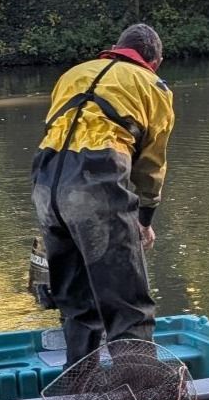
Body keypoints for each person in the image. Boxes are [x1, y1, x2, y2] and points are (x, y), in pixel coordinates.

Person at [31, 23, 175, 365]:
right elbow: (151, 164)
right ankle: (138, 397)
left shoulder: (73, 74)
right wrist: (144, 220)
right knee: (128, 305)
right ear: (155, 61)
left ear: (115, 47)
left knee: (76, 302)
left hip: (45, 183)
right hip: (97, 181)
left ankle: (78, 385)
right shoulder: (153, 86)